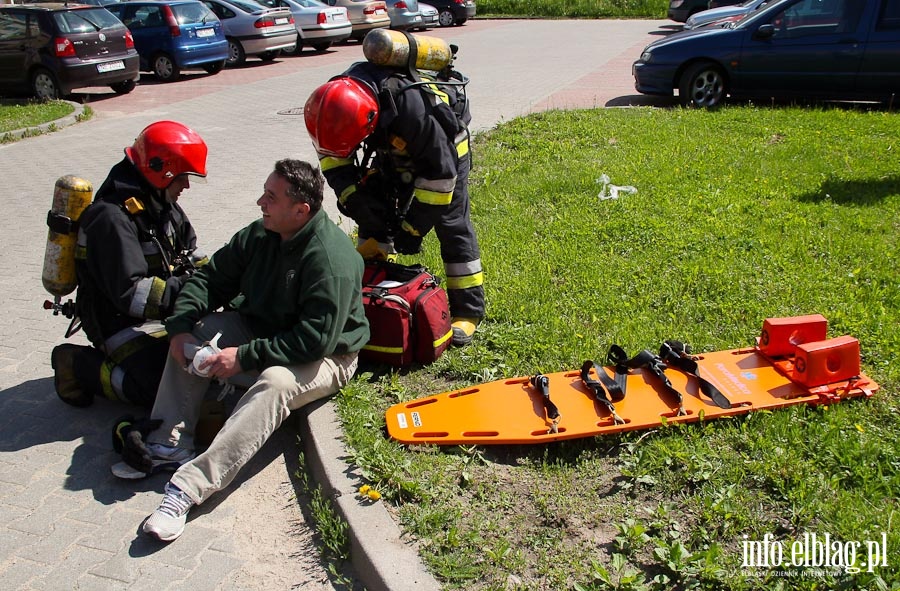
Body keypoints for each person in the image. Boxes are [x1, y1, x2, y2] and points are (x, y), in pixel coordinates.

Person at [116, 159, 369, 543]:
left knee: (275, 381)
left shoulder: (329, 259)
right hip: (263, 331)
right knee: (200, 333)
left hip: (327, 355)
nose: (259, 202)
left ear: (301, 210)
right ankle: (169, 443)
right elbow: (210, 279)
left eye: (270, 196)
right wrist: (180, 330)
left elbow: (313, 341)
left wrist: (243, 357)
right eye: (264, 192)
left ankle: (188, 488)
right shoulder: (262, 234)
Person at [304, 52, 485, 346]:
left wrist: (413, 229)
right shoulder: (333, 105)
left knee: (451, 224)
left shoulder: (414, 110)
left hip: (445, 154)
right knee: (373, 211)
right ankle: (372, 287)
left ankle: (469, 310)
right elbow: (333, 159)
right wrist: (355, 198)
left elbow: (440, 177)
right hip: (392, 147)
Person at [51, 120, 209, 408]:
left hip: (159, 314)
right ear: (162, 171)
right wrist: (195, 290)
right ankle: (76, 365)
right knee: (156, 389)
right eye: (183, 177)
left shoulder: (162, 206)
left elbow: (190, 253)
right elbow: (132, 294)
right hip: (117, 322)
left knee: (202, 366)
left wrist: (224, 277)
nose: (186, 185)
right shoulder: (110, 219)